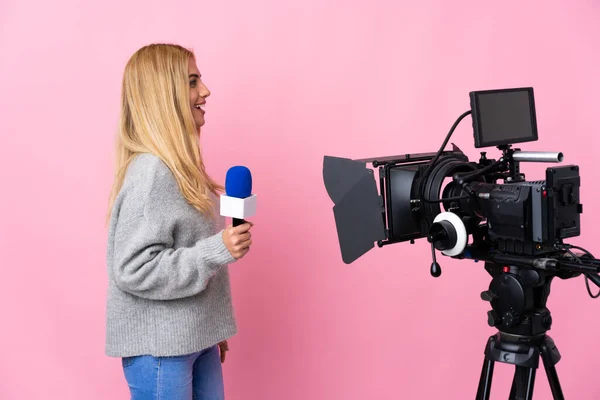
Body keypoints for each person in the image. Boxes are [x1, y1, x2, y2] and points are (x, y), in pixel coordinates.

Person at [104, 43, 253, 399]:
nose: (205, 91)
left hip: (193, 338)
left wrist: (210, 327)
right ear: (164, 96)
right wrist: (218, 249)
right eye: (192, 82)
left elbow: (185, 247)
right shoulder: (152, 173)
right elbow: (133, 269)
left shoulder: (182, 169)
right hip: (161, 349)